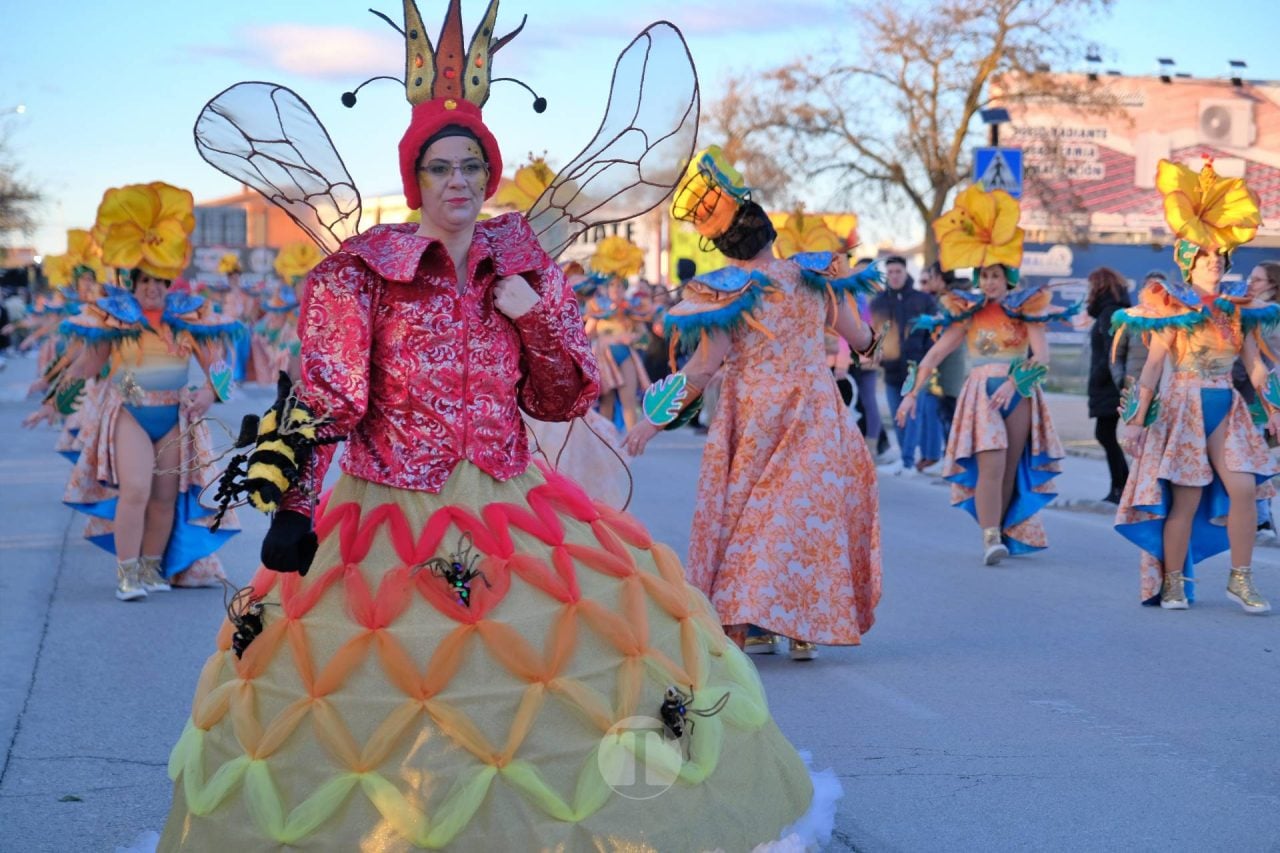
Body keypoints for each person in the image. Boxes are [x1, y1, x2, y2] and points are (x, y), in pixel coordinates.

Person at [156, 10, 833, 850]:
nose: (457, 181)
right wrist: (293, 504)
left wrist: (534, 318)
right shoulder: (359, 273)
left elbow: (563, 396)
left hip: (516, 508)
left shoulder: (525, 265)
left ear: (488, 171)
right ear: (415, 179)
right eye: (438, 167)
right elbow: (327, 394)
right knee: (382, 700)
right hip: (386, 515)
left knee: (576, 671)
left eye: (471, 165)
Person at [626, 145, 883, 661]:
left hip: (753, 416)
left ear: (725, 248)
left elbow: (701, 369)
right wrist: (872, 346)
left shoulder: (732, 292)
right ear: (771, 234)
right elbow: (858, 338)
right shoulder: (815, 278)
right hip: (813, 409)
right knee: (805, 515)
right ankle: (802, 626)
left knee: (750, 520)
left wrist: (651, 422)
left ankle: (751, 621)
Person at [28, 183, 239, 598]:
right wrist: (53, 398)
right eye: (143, 280)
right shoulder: (116, 319)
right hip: (130, 413)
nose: (151, 287)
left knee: (164, 497)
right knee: (137, 490)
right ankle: (127, 574)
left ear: (169, 281)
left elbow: (218, 365)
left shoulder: (190, 318)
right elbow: (88, 365)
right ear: (132, 281)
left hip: (175, 416)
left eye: (159, 279)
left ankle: (150, 570)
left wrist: (208, 395)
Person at [1113, 158, 1277, 612]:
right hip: (1183, 408)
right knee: (1184, 501)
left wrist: (1275, 410)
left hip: (1225, 405)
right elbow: (1151, 368)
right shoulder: (1174, 310)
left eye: (1218, 257)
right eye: (1204, 257)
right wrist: (1134, 421)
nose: (1213, 264)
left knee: (1243, 489)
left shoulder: (1236, 310)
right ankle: (1172, 581)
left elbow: (1257, 368)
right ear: (1189, 263)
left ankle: (1240, 580)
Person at [898, 186, 1070, 564]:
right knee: (991, 464)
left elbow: (1041, 355)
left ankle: (1004, 528)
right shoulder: (968, 311)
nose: (989, 281)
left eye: (995, 274)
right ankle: (989, 536)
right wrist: (912, 392)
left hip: (1019, 393)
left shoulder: (1028, 309)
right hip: (980, 394)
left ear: (1008, 276)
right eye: (984, 274)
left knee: (1008, 467)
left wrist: (1013, 384)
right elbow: (938, 351)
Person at [872, 256, 937, 473]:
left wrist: (927, 358)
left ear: (906, 272)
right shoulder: (878, 301)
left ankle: (908, 461)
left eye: (898, 271)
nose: (894, 276)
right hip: (891, 369)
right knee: (896, 414)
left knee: (912, 415)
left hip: (917, 368)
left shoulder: (923, 300)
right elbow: (874, 333)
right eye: (890, 272)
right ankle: (904, 458)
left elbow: (933, 333)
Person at [582, 236, 650, 430]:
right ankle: (607, 443)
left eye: (619, 285)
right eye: (612, 285)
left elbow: (644, 336)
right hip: (604, 356)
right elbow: (586, 335)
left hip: (626, 355)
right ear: (605, 287)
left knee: (628, 400)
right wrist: (604, 338)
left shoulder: (632, 307)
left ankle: (631, 443)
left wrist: (632, 337)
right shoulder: (598, 307)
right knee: (606, 402)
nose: (616, 289)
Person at [1085, 266, 1131, 503]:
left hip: (1109, 385)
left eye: (1091, 287)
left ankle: (1121, 486)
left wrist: (1097, 377)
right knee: (1106, 434)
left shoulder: (1109, 313)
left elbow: (1111, 352)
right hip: (1110, 383)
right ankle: (1122, 484)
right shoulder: (1114, 310)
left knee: (1104, 434)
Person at [918, 260, 967, 438]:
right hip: (945, 366)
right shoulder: (945, 299)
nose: (929, 283)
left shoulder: (949, 302)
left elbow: (943, 336)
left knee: (950, 417)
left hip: (949, 367)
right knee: (946, 415)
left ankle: (953, 460)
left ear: (939, 278)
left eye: (930, 278)